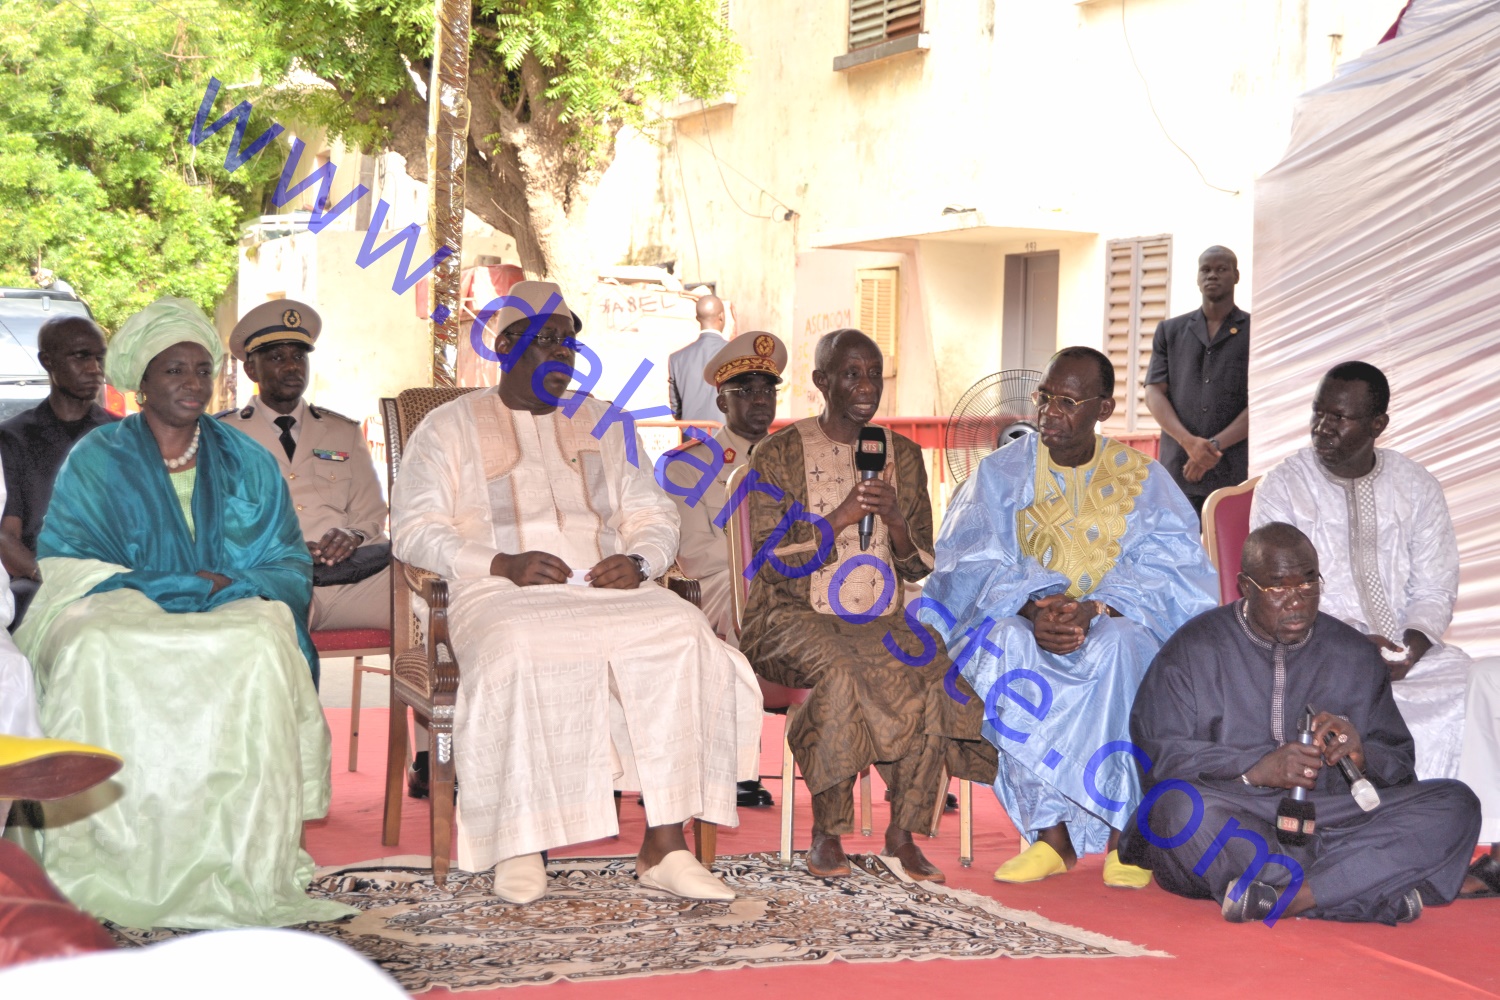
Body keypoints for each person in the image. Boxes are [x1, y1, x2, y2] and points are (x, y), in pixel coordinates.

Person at [390, 280, 760, 905]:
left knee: (684, 635)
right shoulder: (447, 426)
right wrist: (499, 562)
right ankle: (519, 841)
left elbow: (652, 509)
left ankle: (665, 845)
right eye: (547, 343)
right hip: (498, 591)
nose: (563, 355)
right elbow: (414, 530)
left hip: (606, 584)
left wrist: (640, 560)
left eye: (569, 343)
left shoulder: (605, 420)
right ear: (506, 347)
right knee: (519, 646)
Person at [14, 297, 351, 929]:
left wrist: (226, 580)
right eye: (174, 370)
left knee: (262, 639)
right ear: (141, 383)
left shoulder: (246, 459)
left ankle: (236, 853)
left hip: (229, 599)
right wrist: (159, 584)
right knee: (91, 645)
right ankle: (100, 854)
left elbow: (284, 562)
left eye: (201, 370)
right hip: (123, 601)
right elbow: (67, 561)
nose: (192, 383)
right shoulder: (97, 457)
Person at [923, 346, 1216, 887]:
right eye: (1044, 398)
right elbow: (968, 558)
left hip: (1109, 617)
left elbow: (1174, 569)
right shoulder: (1002, 473)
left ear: (1103, 410)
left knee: (1124, 646)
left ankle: (1122, 836)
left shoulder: (1142, 478)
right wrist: (1033, 605)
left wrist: (1095, 606)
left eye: (1068, 402)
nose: (1049, 413)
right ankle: (1049, 836)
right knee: (1006, 643)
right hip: (1021, 615)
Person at [1119, 522, 1482, 924]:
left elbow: (1399, 764)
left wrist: (1363, 759)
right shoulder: (1193, 650)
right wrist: (1254, 769)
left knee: (1456, 803)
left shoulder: (1354, 655)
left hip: (1334, 819)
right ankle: (1358, 891)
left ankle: (1292, 895)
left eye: (1308, 585)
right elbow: (1158, 754)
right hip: (1239, 814)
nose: (1296, 601)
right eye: (1278, 588)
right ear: (1246, 586)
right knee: (1178, 810)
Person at [739, 328, 997, 883]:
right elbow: (770, 559)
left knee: (933, 670)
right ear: (822, 382)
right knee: (843, 670)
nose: (865, 385)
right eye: (851, 374)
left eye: (874, 374)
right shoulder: (778, 452)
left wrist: (898, 523)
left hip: (880, 618)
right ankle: (826, 831)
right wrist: (840, 518)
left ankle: (902, 832)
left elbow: (919, 564)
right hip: (788, 616)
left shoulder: (899, 455)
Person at [1251, 360, 1500, 894]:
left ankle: (1486, 850)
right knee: (1365, 719)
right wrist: (1353, 652)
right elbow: (1279, 592)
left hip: (1411, 656)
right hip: (1317, 654)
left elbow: (1437, 586)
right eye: (1318, 413)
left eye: (1339, 418)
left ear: (1377, 425)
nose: (1322, 428)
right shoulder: (1284, 487)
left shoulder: (1416, 486)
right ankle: (1370, 848)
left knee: (1483, 687)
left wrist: (1410, 648)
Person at [662, 330, 787, 809]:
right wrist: (768, 565)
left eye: (768, 391)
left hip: (788, 583)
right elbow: (695, 554)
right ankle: (738, 768)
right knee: (752, 601)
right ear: (721, 399)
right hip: (713, 586)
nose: (761, 401)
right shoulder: (689, 466)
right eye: (747, 392)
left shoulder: (796, 461)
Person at [0, 316, 116, 626]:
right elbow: (7, 536)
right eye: (81, 356)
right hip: (42, 579)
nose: (95, 369)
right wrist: (52, 576)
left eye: (99, 357)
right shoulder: (14, 437)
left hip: (115, 577)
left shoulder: (122, 435)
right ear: (47, 361)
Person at [1144, 246, 1250, 519]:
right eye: (1206, 269)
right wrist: (1188, 442)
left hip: (1233, 471)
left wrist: (1214, 446)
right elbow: (1154, 391)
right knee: (1178, 552)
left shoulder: (1255, 330)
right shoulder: (1170, 331)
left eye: (1221, 269)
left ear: (1236, 275)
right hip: (1179, 469)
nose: (1212, 275)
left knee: (1227, 554)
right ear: (1197, 277)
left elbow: (1262, 400)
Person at [667, 293, 730, 423]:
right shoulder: (736, 353)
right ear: (722, 317)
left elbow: (676, 410)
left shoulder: (676, 359)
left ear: (697, 318)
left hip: (691, 440)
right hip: (725, 439)